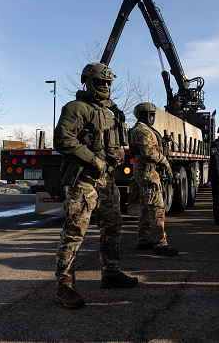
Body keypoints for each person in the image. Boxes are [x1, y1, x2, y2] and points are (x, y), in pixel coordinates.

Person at [54, 62, 138, 309]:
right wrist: (93, 159)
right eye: (100, 82)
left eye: (108, 82)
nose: (105, 86)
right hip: (84, 180)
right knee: (74, 234)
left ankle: (110, 274)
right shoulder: (76, 108)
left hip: (106, 180)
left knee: (113, 227)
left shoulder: (109, 112)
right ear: (88, 82)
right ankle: (64, 286)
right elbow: (62, 139)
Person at [129, 102, 178, 257]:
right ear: (143, 115)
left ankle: (143, 240)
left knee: (144, 208)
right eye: (151, 115)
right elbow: (149, 152)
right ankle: (160, 244)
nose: (153, 118)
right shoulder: (141, 130)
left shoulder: (144, 129)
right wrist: (165, 162)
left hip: (147, 171)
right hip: (147, 172)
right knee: (156, 209)